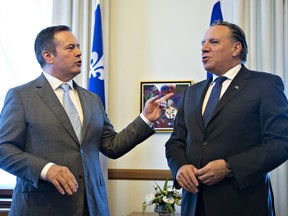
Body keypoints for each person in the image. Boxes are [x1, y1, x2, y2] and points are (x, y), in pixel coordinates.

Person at [0, 25, 173, 216]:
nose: (79, 52)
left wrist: (146, 119)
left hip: (92, 206)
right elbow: (3, 149)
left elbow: (112, 146)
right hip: (42, 207)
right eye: (70, 48)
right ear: (48, 56)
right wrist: (46, 169)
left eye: (78, 46)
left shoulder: (92, 99)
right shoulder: (21, 96)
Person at [165, 20, 288, 216]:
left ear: (236, 48)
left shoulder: (265, 85)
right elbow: (175, 142)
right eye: (202, 43)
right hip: (194, 205)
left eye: (213, 42)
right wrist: (180, 167)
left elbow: (281, 144)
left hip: (243, 205)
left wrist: (229, 167)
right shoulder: (191, 93)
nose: (204, 48)